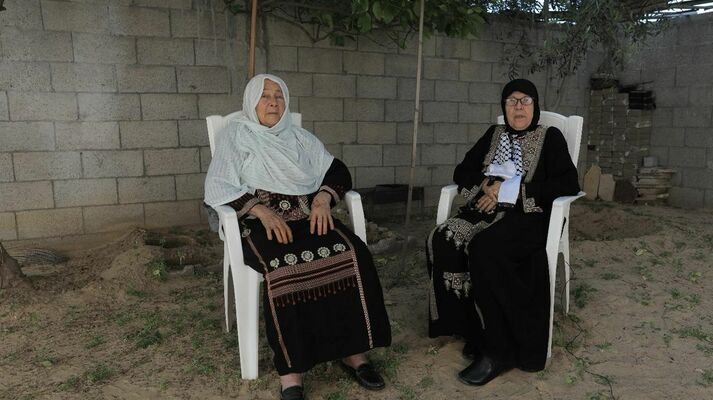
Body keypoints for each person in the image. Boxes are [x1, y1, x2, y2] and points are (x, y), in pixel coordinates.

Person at [204, 74, 391, 400]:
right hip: (260, 222)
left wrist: (322, 199)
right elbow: (219, 184)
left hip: (307, 215)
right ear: (252, 103)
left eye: (278, 95)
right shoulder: (237, 136)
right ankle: (292, 373)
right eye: (265, 96)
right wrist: (261, 211)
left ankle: (353, 353)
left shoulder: (300, 138)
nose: (273, 102)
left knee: (353, 254)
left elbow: (337, 170)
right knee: (286, 269)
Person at [426, 78, 580, 386]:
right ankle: (474, 330)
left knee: (486, 248)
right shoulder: (494, 134)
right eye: (512, 101)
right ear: (504, 108)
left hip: (531, 214)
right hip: (485, 208)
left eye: (525, 101)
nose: (518, 107)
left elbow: (567, 184)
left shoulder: (550, 137)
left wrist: (510, 189)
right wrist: (487, 185)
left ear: (534, 106)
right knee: (444, 238)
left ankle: (499, 348)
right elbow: (463, 170)